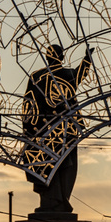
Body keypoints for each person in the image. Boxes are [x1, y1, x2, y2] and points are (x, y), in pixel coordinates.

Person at [21, 43, 93, 213]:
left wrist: (29, 128)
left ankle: (56, 201)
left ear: (47, 57)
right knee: (62, 165)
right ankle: (57, 201)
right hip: (63, 129)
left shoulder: (37, 76)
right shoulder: (65, 74)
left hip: (43, 129)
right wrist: (87, 59)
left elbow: (28, 105)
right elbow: (80, 74)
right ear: (61, 57)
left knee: (48, 165)